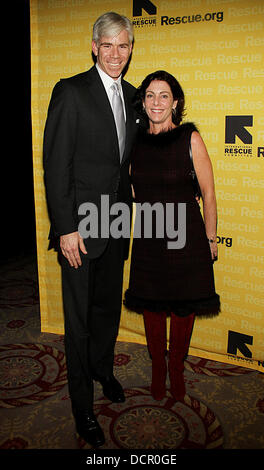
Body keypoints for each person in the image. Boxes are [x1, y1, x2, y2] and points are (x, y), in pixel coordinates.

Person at [43, 12, 138, 448]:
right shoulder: (71, 91)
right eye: (108, 45)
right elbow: (55, 164)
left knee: (106, 312)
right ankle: (81, 404)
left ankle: (103, 370)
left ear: (131, 49)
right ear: (94, 47)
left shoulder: (134, 97)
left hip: (116, 225)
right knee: (78, 320)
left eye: (124, 45)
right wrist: (65, 228)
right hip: (79, 230)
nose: (115, 53)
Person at [124, 70, 220, 402]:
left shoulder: (190, 139)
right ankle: (157, 369)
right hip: (151, 234)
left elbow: (208, 193)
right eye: (150, 95)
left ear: (175, 102)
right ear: (143, 101)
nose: (156, 102)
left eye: (164, 95)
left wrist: (211, 238)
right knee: (151, 306)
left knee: (183, 307)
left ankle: (176, 368)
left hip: (187, 236)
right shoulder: (134, 142)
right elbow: (133, 189)